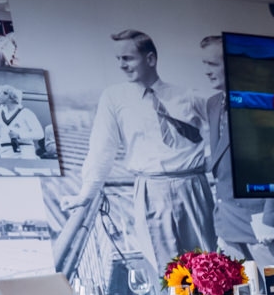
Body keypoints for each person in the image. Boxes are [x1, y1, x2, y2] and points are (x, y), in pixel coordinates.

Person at [63, 30, 215, 271]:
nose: (122, 65)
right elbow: (102, 148)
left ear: (150, 59)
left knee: (205, 265)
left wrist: (210, 160)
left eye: (128, 58)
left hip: (192, 186)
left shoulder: (187, 96)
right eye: (118, 59)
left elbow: (223, 130)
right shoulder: (113, 98)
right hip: (150, 189)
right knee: (167, 270)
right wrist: (86, 194)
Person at [198, 34, 274, 266]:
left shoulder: (263, 104)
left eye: (212, 64)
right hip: (227, 222)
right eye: (204, 64)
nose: (207, 71)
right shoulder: (213, 104)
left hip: (262, 222)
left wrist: (271, 219)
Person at [0, 86, 44, 158]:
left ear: (8, 95)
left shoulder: (26, 112)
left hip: (24, 149)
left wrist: (19, 135)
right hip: (5, 150)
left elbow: (40, 134)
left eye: (0, 93)